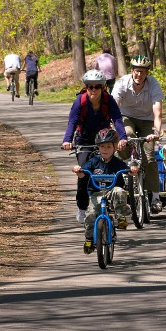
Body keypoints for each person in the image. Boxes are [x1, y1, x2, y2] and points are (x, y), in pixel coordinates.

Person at [62, 69, 128, 222]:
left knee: (109, 169)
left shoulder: (108, 100)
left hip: (104, 138)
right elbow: (72, 121)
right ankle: (82, 207)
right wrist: (67, 140)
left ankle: (111, 202)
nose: (93, 90)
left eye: (97, 86)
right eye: (90, 86)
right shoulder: (80, 101)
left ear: (103, 87)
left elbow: (117, 119)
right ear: (86, 87)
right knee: (85, 172)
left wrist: (123, 138)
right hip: (84, 139)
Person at [112, 54, 165, 213]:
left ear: (147, 73)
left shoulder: (153, 84)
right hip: (126, 117)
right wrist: (113, 127)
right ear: (132, 71)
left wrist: (156, 131)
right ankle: (129, 160)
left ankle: (155, 197)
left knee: (149, 157)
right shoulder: (122, 83)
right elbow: (115, 106)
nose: (139, 75)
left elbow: (158, 112)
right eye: (136, 71)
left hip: (147, 120)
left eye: (143, 72)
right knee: (125, 136)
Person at [73, 127, 135, 254]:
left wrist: (132, 170)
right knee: (90, 214)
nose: (105, 150)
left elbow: (128, 170)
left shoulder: (117, 163)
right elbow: (83, 173)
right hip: (96, 193)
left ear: (115, 148)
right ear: (98, 147)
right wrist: (78, 170)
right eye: (102, 147)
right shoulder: (93, 161)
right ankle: (89, 238)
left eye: (108, 147)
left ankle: (121, 216)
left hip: (112, 190)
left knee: (120, 192)